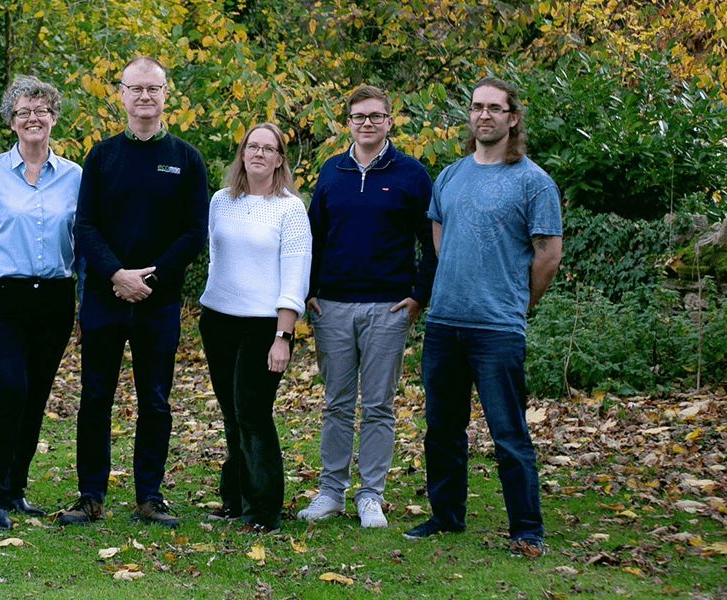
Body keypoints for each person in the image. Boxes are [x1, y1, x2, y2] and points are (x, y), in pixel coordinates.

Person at [403, 77, 562, 559]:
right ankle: (446, 515)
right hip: (445, 322)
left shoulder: (533, 181)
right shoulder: (451, 175)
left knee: (508, 432)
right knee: (442, 427)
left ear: (512, 118)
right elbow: (437, 229)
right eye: (477, 107)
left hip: (497, 329)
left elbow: (548, 253)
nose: (484, 115)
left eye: (495, 107)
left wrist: (520, 303)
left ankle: (527, 529)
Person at [59, 56, 208, 528]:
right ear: (121, 94)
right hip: (105, 298)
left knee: (156, 398)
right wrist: (117, 275)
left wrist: (153, 277)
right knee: (95, 396)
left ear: (166, 95)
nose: (145, 97)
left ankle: (150, 494)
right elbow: (85, 226)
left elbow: (193, 232)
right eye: (136, 88)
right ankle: (90, 495)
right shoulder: (101, 157)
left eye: (154, 89)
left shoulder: (186, 158)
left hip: (159, 302)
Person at [296, 86, 436, 529]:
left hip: (388, 308)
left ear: (390, 121)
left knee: (378, 405)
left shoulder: (412, 174)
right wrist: (309, 291)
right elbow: (312, 239)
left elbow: (431, 243)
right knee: (336, 403)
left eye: (376, 116)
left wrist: (419, 295)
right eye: (359, 117)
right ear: (349, 123)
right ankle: (331, 492)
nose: (368, 123)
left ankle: (370, 494)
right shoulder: (331, 172)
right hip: (332, 306)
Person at [0, 76, 82, 531]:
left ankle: (16, 490)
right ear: (11, 120)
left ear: (54, 118)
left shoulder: (75, 176)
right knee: (10, 391)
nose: (33, 118)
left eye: (41, 110)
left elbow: (83, 242)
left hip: (55, 301)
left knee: (36, 396)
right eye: (24, 111)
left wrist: (83, 298)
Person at [199, 122, 310, 534]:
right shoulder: (220, 202)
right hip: (217, 320)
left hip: (265, 326)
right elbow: (215, 257)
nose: (259, 153)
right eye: (252, 146)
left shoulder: (290, 209)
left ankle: (263, 510)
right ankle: (234, 498)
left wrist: (284, 335)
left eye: (269, 148)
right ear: (242, 154)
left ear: (280, 159)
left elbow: (295, 275)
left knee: (253, 413)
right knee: (231, 414)